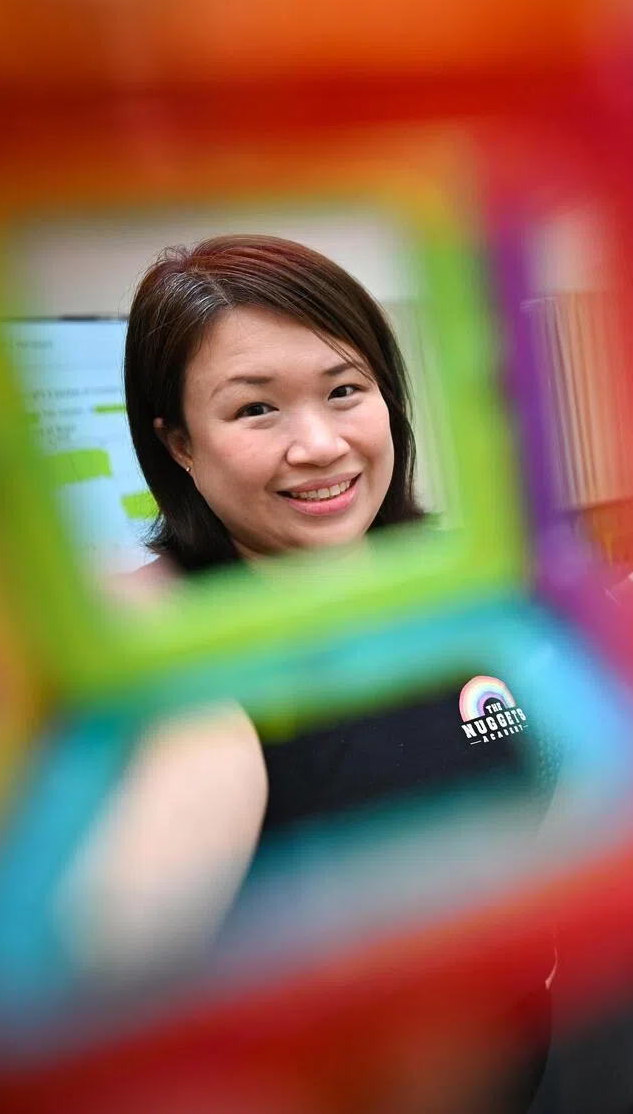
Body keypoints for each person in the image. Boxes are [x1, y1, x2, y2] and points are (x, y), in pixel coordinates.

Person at [86, 234, 557, 1111]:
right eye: (256, 410)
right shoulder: (168, 648)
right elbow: (124, 967)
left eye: (345, 390)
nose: (318, 444)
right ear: (179, 443)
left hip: (512, 1062)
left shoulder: (453, 580)